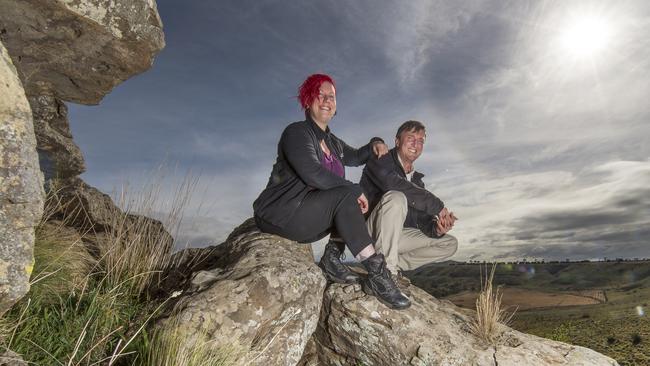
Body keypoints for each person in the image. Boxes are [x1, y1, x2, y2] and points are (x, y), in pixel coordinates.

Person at [253, 74, 411, 309]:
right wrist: (353, 189)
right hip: (280, 213)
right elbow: (312, 173)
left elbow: (357, 156)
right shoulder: (297, 132)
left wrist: (376, 142)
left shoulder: (333, 142)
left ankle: (332, 258)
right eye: (320, 95)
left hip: (307, 216)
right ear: (308, 101)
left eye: (332, 96)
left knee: (354, 197)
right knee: (348, 194)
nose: (327, 100)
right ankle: (378, 274)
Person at [360, 120, 458, 290]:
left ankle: (395, 266)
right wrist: (437, 205)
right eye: (411, 138)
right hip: (371, 233)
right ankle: (384, 273)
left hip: (395, 238)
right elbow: (393, 185)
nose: (416, 144)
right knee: (397, 197)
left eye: (420, 140)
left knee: (450, 243)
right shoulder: (380, 159)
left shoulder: (417, 182)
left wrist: (437, 229)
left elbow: (424, 222)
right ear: (397, 141)